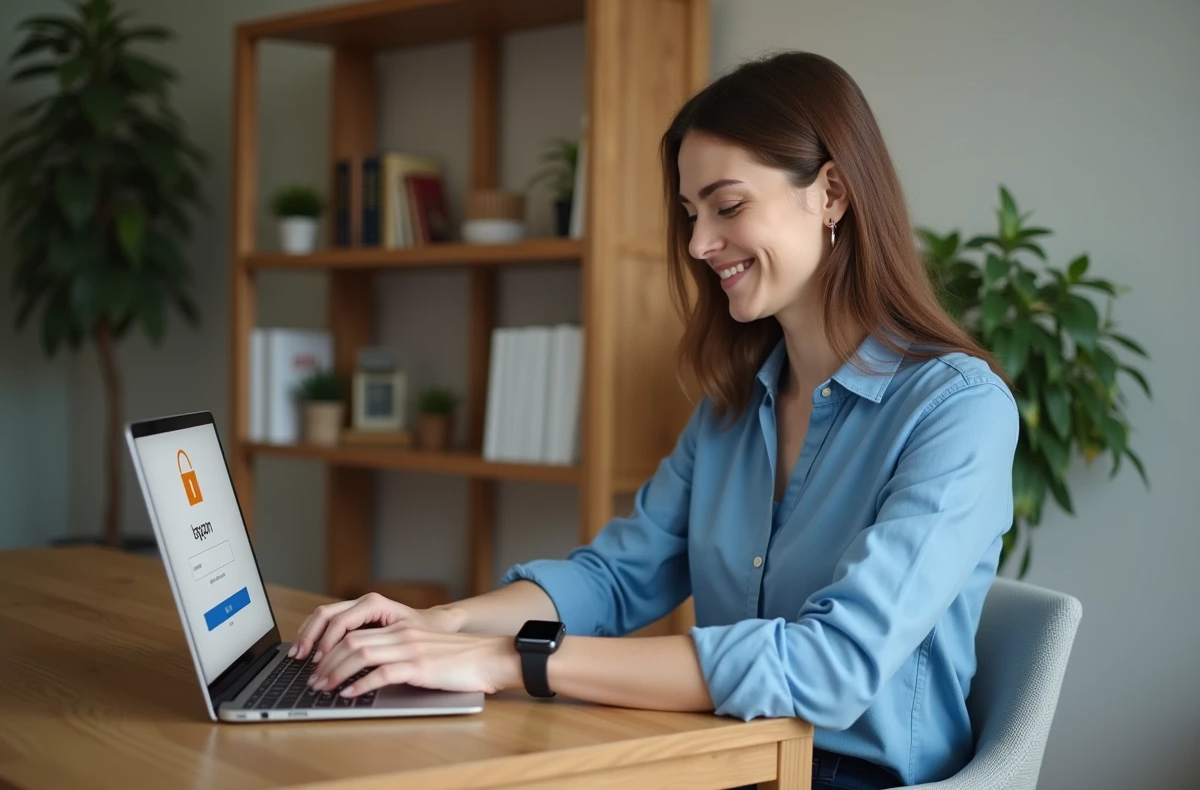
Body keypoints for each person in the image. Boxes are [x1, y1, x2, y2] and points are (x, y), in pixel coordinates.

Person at [289, 51, 1018, 790]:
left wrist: (513, 661)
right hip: (729, 763)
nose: (700, 245)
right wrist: (440, 627)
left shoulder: (957, 410)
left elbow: (831, 666)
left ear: (831, 192)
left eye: (727, 206)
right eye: (691, 214)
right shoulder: (732, 409)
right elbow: (613, 580)